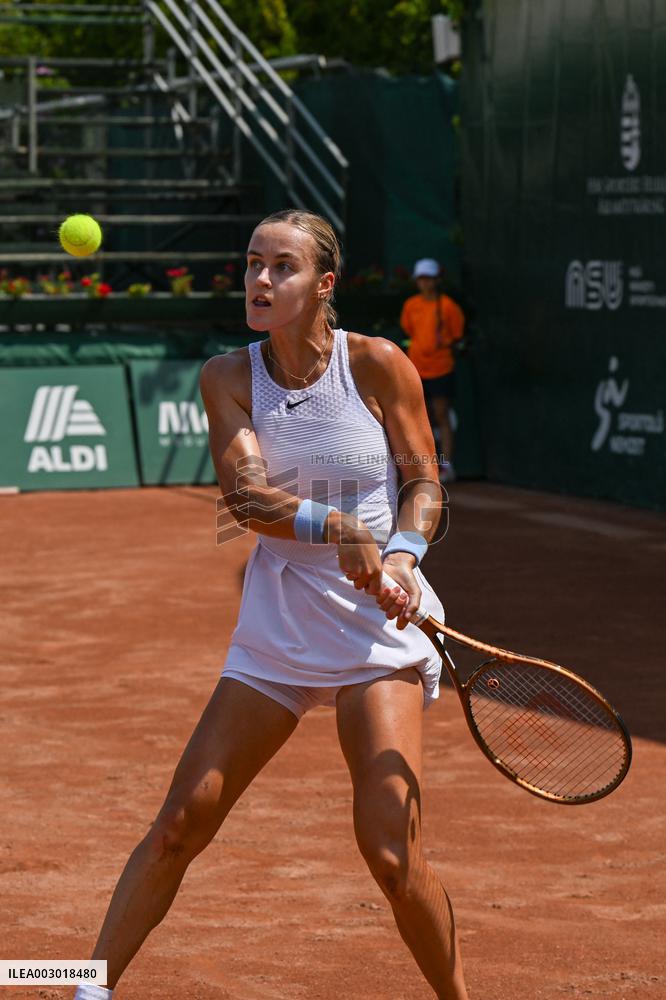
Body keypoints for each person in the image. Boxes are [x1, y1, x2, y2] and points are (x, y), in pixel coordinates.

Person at [73, 210, 469, 1000]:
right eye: (252, 264)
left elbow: (425, 484)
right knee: (179, 826)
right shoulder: (228, 374)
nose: (259, 280)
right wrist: (341, 524)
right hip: (279, 624)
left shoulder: (381, 364)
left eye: (280, 267)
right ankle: (86, 988)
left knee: (391, 855)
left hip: (376, 629)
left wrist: (401, 553)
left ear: (324, 284)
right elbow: (247, 498)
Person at [400, 258, 465, 483]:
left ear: (437, 280)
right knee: (420, 416)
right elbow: (408, 329)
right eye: (421, 279)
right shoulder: (411, 305)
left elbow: (457, 335)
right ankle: (424, 465)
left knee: (441, 413)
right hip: (415, 368)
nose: (424, 283)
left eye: (428, 278)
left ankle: (447, 465)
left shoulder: (448, 307)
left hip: (441, 367)